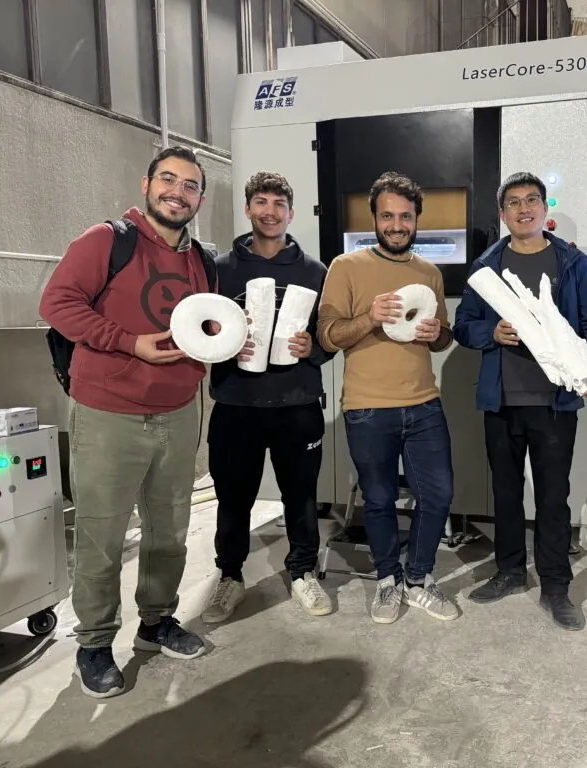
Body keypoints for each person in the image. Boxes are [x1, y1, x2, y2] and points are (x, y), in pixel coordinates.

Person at [39, 146, 215, 698]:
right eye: (169, 179)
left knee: (170, 530)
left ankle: (157, 622)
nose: (177, 192)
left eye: (190, 185)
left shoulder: (201, 260)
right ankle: (94, 644)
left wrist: (226, 336)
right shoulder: (106, 241)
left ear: (199, 198)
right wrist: (128, 342)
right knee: (102, 533)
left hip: (179, 410)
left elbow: (199, 325)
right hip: (108, 412)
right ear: (147, 184)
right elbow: (57, 304)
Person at [452, 171, 587, 631]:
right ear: (503, 214)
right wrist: (491, 332)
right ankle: (509, 572)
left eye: (532, 201)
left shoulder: (570, 263)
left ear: (544, 209)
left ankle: (556, 586)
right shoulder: (486, 266)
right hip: (501, 399)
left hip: (553, 401)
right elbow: (463, 325)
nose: (524, 209)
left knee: (553, 496)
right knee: (504, 493)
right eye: (514, 203)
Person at [317, 171, 459, 625]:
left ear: (417, 219)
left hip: (424, 404)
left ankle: (417, 579)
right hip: (367, 408)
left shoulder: (429, 273)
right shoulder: (346, 267)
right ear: (374, 218)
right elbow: (328, 335)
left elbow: (442, 338)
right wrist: (370, 317)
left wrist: (438, 334)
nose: (397, 225)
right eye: (388, 216)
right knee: (377, 500)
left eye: (405, 216)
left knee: (438, 495)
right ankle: (387, 580)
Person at [200, 171, 334, 624]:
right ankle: (230, 576)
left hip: (297, 405)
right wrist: (222, 339)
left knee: (301, 496)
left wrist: (312, 348)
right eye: (261, 202)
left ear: (290, 213)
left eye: (279, 204)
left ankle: (302, 572)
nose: (270, 211)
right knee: (233, 499)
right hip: (236, 405)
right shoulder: (219, 270)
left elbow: (330, 336)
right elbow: (200, 331)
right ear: (248, 209)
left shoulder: (315, 272)